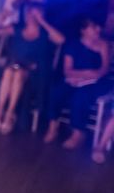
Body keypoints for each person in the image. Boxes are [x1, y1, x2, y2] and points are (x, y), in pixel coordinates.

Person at [0, 3, 65, 134]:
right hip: (14, 66)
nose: (31, 16)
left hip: (34, 70)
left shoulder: (44, 33)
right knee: (9, 72)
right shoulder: (17, 28)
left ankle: (9, 114)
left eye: (35, 13)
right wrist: (3, 18)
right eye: (29, 13)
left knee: (18, 74)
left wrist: (42, 21)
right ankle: (0, 111)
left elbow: (61, 40)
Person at [43, 18, 111, 149]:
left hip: (98, 82)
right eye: (94, 27)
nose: (98, 30)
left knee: (81, 95)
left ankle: (78, 133)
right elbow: (67, 70)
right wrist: (85, 74)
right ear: (83, 30)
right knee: (57, 90)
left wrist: (91, 75)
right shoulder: (72, 45)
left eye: (98, 27)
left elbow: (104, 69)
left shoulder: (103, 45)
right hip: (77, 78)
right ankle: (53, 127)